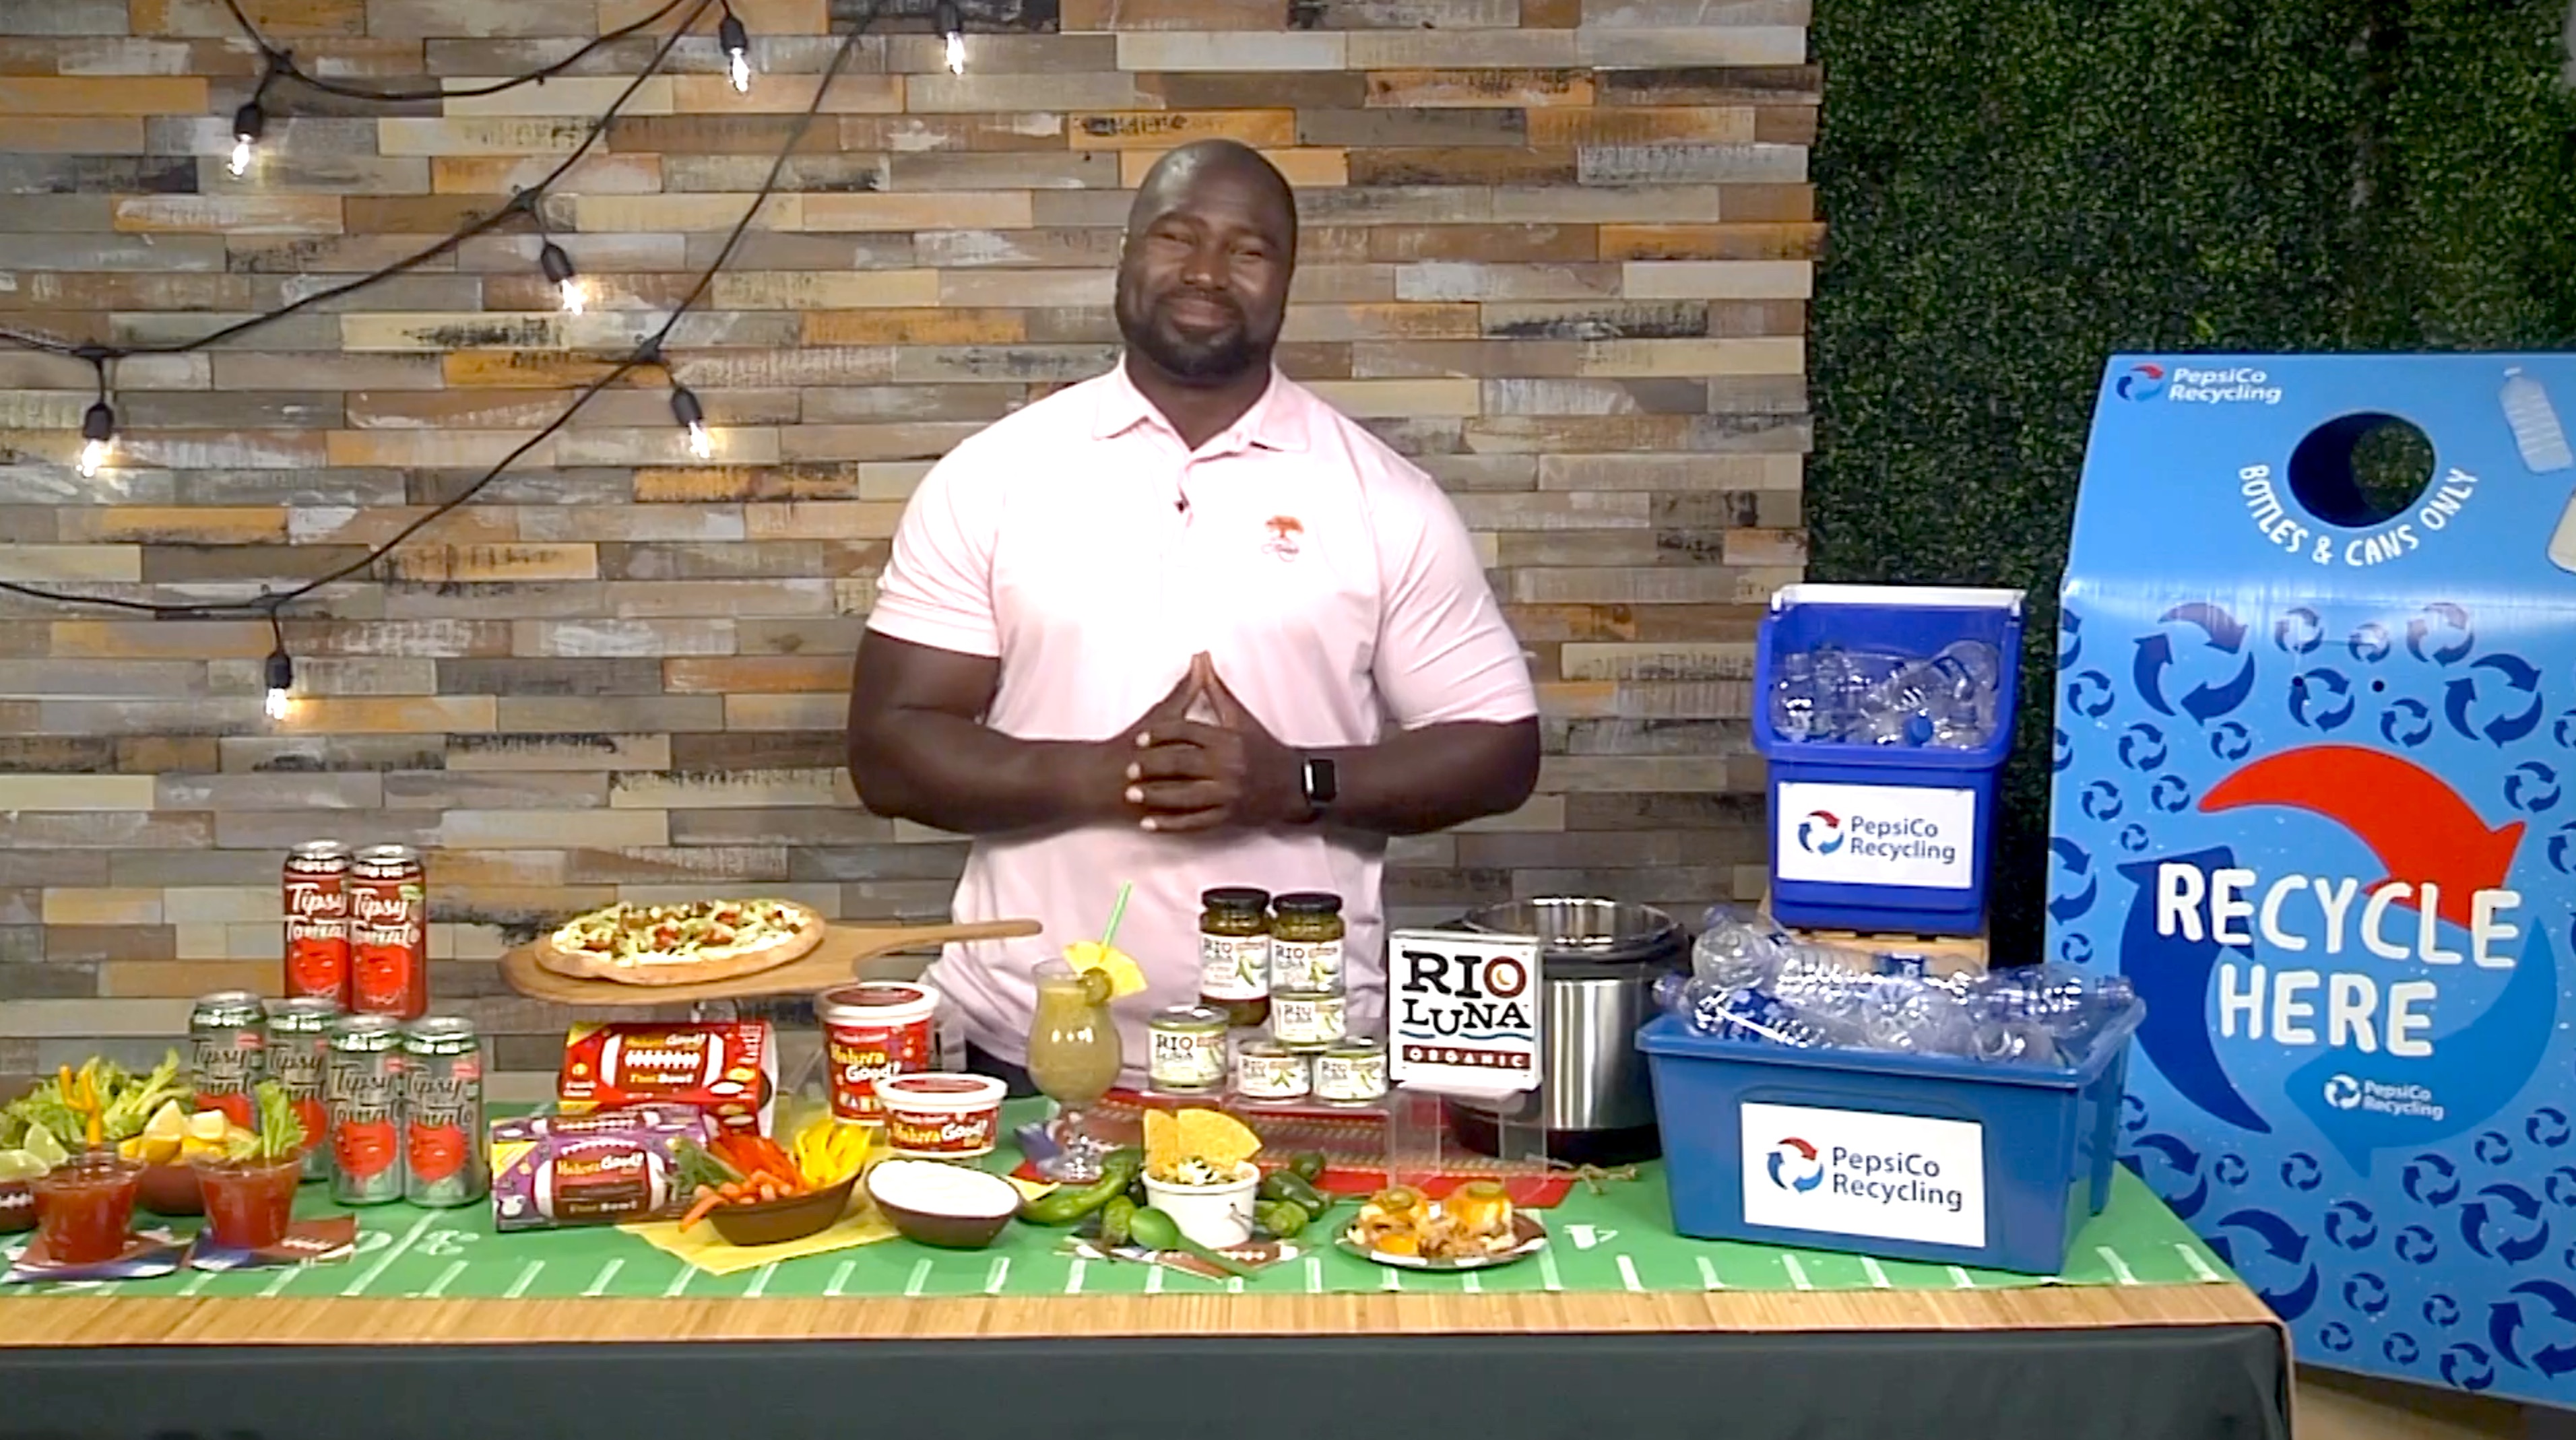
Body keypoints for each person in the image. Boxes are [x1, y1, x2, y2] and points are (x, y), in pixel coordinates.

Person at [843, 139, 1540, 1091]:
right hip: (1024, 1044)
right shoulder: (994, 477)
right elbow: (888, 748)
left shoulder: (1384, 497)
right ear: (1127, 253)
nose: (1207, 271)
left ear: (1287, 280)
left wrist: (1293, 782)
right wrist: (1109, 776)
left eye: (1248, 251)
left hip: (1300, 1055)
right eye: (1177, 237)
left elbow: (1500, 748)